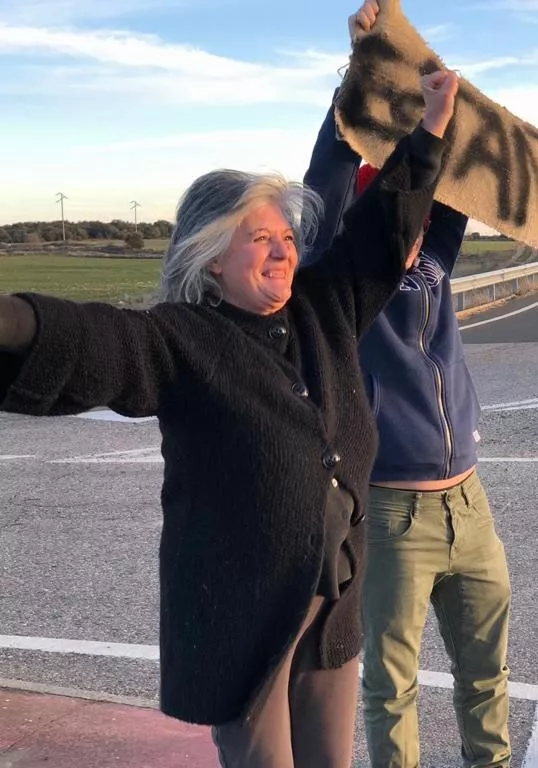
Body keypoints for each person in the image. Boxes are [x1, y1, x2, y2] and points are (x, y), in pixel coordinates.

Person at [0, 61, 459, 768]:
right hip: (243, 623)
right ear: (213, 257)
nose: (282, 251)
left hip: (331, 611)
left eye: (286, 236)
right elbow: (93, 341)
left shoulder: (324, 310)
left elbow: (383, 227)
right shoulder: (180, 338)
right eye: (258, 238)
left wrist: (429, 126)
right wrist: (12, 322)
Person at [301, 4, 512, 766]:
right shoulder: (335, 261)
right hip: (389, 506)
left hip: (469, 499)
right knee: (391, 687)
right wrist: (359, 68)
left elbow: (458, 165)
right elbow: (325, 180)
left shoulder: (435, 256)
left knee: (488, 677)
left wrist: (431, 89)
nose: (412, 210)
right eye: (392, 192)